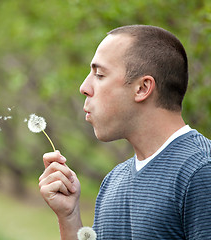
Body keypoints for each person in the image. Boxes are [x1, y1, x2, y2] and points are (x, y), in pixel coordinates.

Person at [39, 25, 211, 239]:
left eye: (100, 75)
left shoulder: (201, 172)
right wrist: (69, 216)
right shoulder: (113, 181)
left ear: (142, 88)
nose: (84, 87)